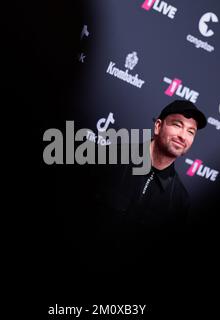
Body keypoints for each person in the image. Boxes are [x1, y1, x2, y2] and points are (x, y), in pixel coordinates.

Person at [81, 100, 207, 280]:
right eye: (177, 125)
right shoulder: (109, 157)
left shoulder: (180, 200)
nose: (183, 136)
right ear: (158, 126)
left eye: (190, 132)